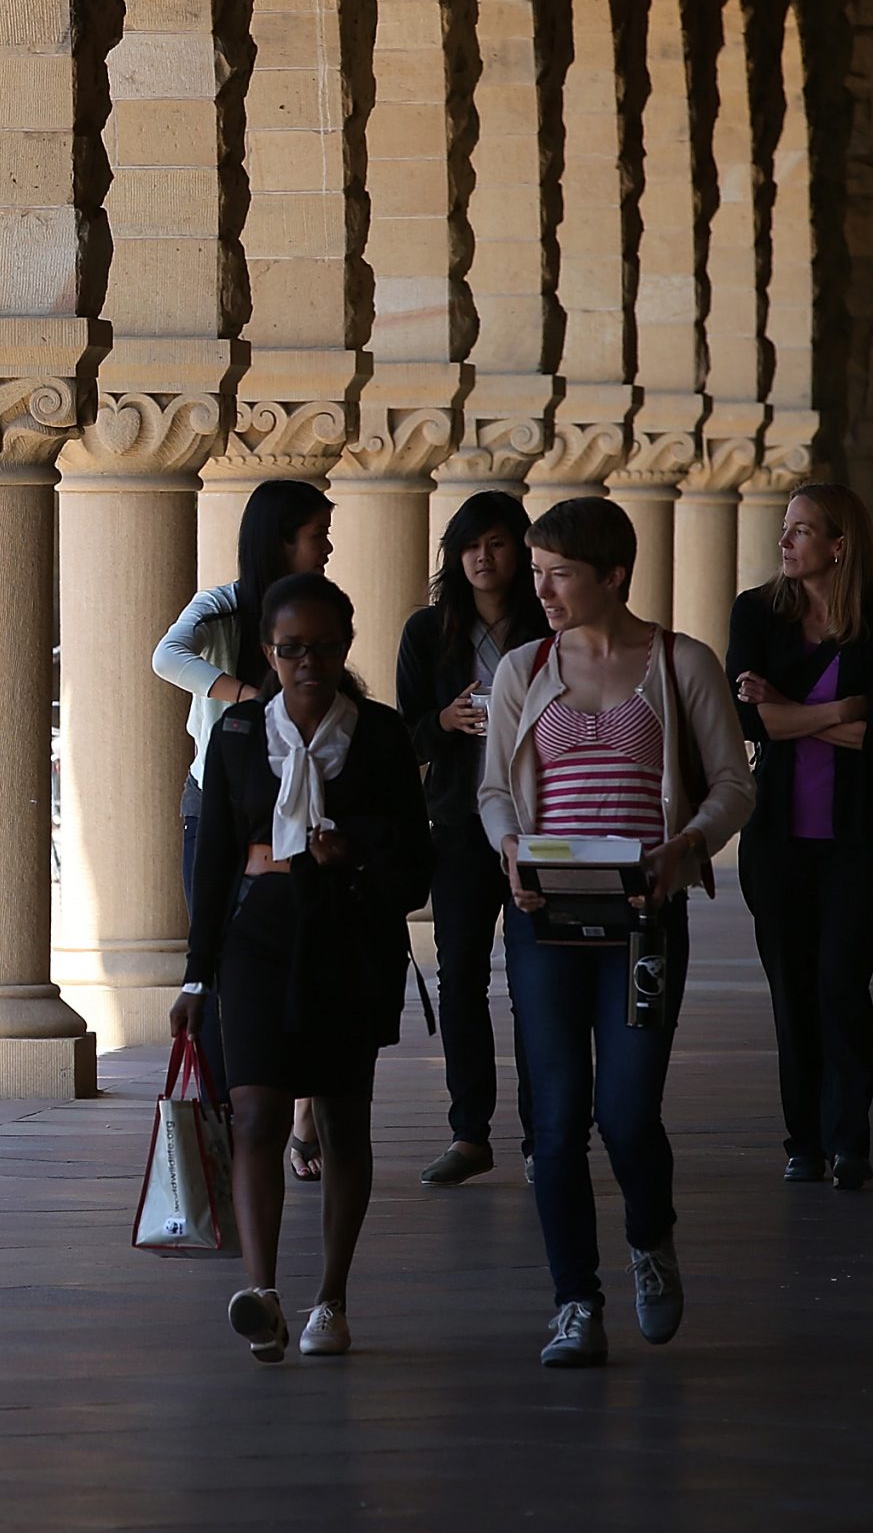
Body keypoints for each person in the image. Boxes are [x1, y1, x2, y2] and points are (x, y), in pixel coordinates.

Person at [478, 497, 753, 1369]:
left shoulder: (681, 663)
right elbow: (493, 791)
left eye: (560, 573)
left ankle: (648, 1239)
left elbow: (734, 785)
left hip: (642, 919)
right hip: (544, 921)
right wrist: (510, 845)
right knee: (555, 1124)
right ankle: (574, 1301)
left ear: (613, 576)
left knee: (627, 1112)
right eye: (537, 572)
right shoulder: (525, 667)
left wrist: (688, 844)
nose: (543, 589)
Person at [169, 573, 433, 1362]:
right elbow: (213, 859)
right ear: (268, 652)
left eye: (322, 646)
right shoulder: (241, 733)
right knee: (254, 1111)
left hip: (349, 932)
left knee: (344, 1117)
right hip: (259, 935)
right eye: (291, 649)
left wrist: (352, 850)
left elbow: (415, 866)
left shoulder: (382, 736)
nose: (307, 662)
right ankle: (265, 1291)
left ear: (346, 647)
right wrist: (194, 975)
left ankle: (332, 1297)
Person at [725, 483, 873, 1192]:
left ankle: (849, 1139)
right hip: (776, 839)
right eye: (786, 528)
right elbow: (747, 723)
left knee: (841, 982)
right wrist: (836, 710)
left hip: (858, 838)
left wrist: (785, 708)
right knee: (792, 991)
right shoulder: (757, 613)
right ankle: (802, 1140)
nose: (787, 541)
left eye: (803, 530)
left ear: (840, 545)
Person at [154, 479, 334, 1174]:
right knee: (219, 966)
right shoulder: (225, 604)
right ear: (282, 537)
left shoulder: (317, 611)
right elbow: (166, 656)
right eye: (317, 532)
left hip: (296, 810)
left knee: (300, 963)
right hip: (218, 806)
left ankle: (300, 1113)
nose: (327, 545)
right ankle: (228, 1133)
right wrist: (248, 693)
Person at [396, 490, 548, 1188]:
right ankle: (469, 1131)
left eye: (496, 543)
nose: (483, 558)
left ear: (521, 549)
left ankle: (542, 1133)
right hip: (458, 823)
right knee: (460, 976)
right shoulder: (429, 632)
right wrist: (445, 721)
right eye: (469, 546)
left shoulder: (548, 623)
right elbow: (402, 735)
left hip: (538, 822)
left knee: (534, 979)